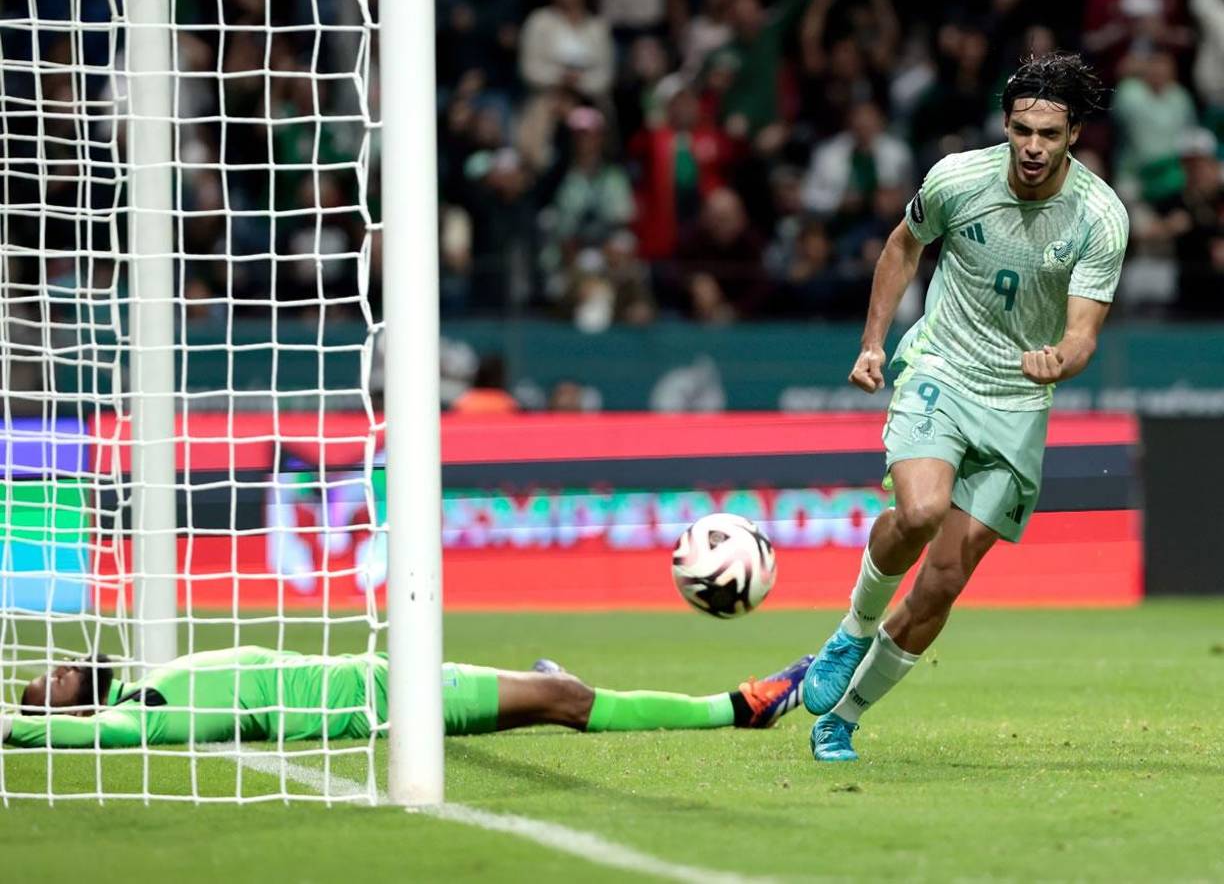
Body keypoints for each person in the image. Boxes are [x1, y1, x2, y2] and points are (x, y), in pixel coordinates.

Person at [801, 53, 1129, 762]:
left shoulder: (1101, 217)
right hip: (943, 370)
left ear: (1073, 132)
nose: (1033, 147)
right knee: (920, 512)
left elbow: (1082, 336)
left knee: (943, 583)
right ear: (1005, 126)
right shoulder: (956, 179)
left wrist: (1059, 360)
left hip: (1018, 401)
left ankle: (844, 717)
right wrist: (872, 344)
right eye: (1021, 131)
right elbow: (901, 247)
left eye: (1049, 133)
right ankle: (853, 628)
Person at [1, 648, 813, 748]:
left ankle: (545, 681)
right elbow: (86, 742)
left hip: (386, 676)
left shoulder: (155, 676)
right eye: (55, 682)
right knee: (571, 700)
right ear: (72, 706)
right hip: (388, 698)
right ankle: (739, 707)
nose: (64, 665)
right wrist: (13, 727)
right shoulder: (154, 712)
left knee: (561, 693)